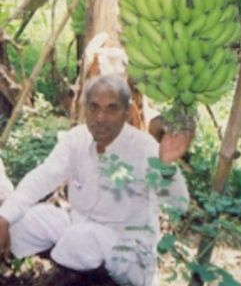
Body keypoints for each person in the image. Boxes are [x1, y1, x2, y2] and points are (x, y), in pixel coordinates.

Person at [0, 74, 189, 285]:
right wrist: (4, 217)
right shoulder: (77, 139)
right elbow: (43, 177)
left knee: (81, 239)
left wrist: (166, 165)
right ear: (85, 110)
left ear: (126, 113)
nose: (101, 117)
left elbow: (179, 203)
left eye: (111, 108)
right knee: (22, 223)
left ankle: (71, 278)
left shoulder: (144, 148)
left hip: (127, 248)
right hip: (79, 224)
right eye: (94, 107)